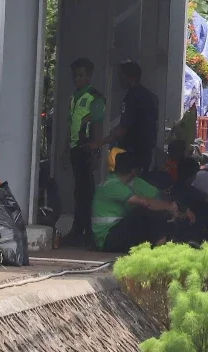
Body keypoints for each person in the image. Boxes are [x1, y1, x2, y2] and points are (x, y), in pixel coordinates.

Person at [92, 151, 181, 252]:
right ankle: (160, 243)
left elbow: (155, 198)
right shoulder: (112, 185)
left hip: (115, 235)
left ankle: (164, 242)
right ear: (134, 171)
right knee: (142, 211)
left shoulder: (121, 183)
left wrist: (169, 208)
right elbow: (145, 203)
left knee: (152, 210)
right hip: (107, 239)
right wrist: (170, 207)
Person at [66, 58, 107, 247]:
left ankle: (88, 232)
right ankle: (79, 229)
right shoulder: (75, 96)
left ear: (89, 76)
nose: (77, 79)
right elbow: (71, 123)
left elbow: (97, 124)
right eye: (75, 76)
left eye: (81, 75)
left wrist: (96, 149)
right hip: (76, 148)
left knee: (87, 191)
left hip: (87, 148)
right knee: (79, 191)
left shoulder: (94, 97)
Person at [94, 61, 159, 173]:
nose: (119, 80)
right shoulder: (149, 96)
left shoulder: (132, 97)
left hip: (132, 151)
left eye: (121, 76)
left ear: (129, 78)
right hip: (145, 149)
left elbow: (124, 127)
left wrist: (101, 142)